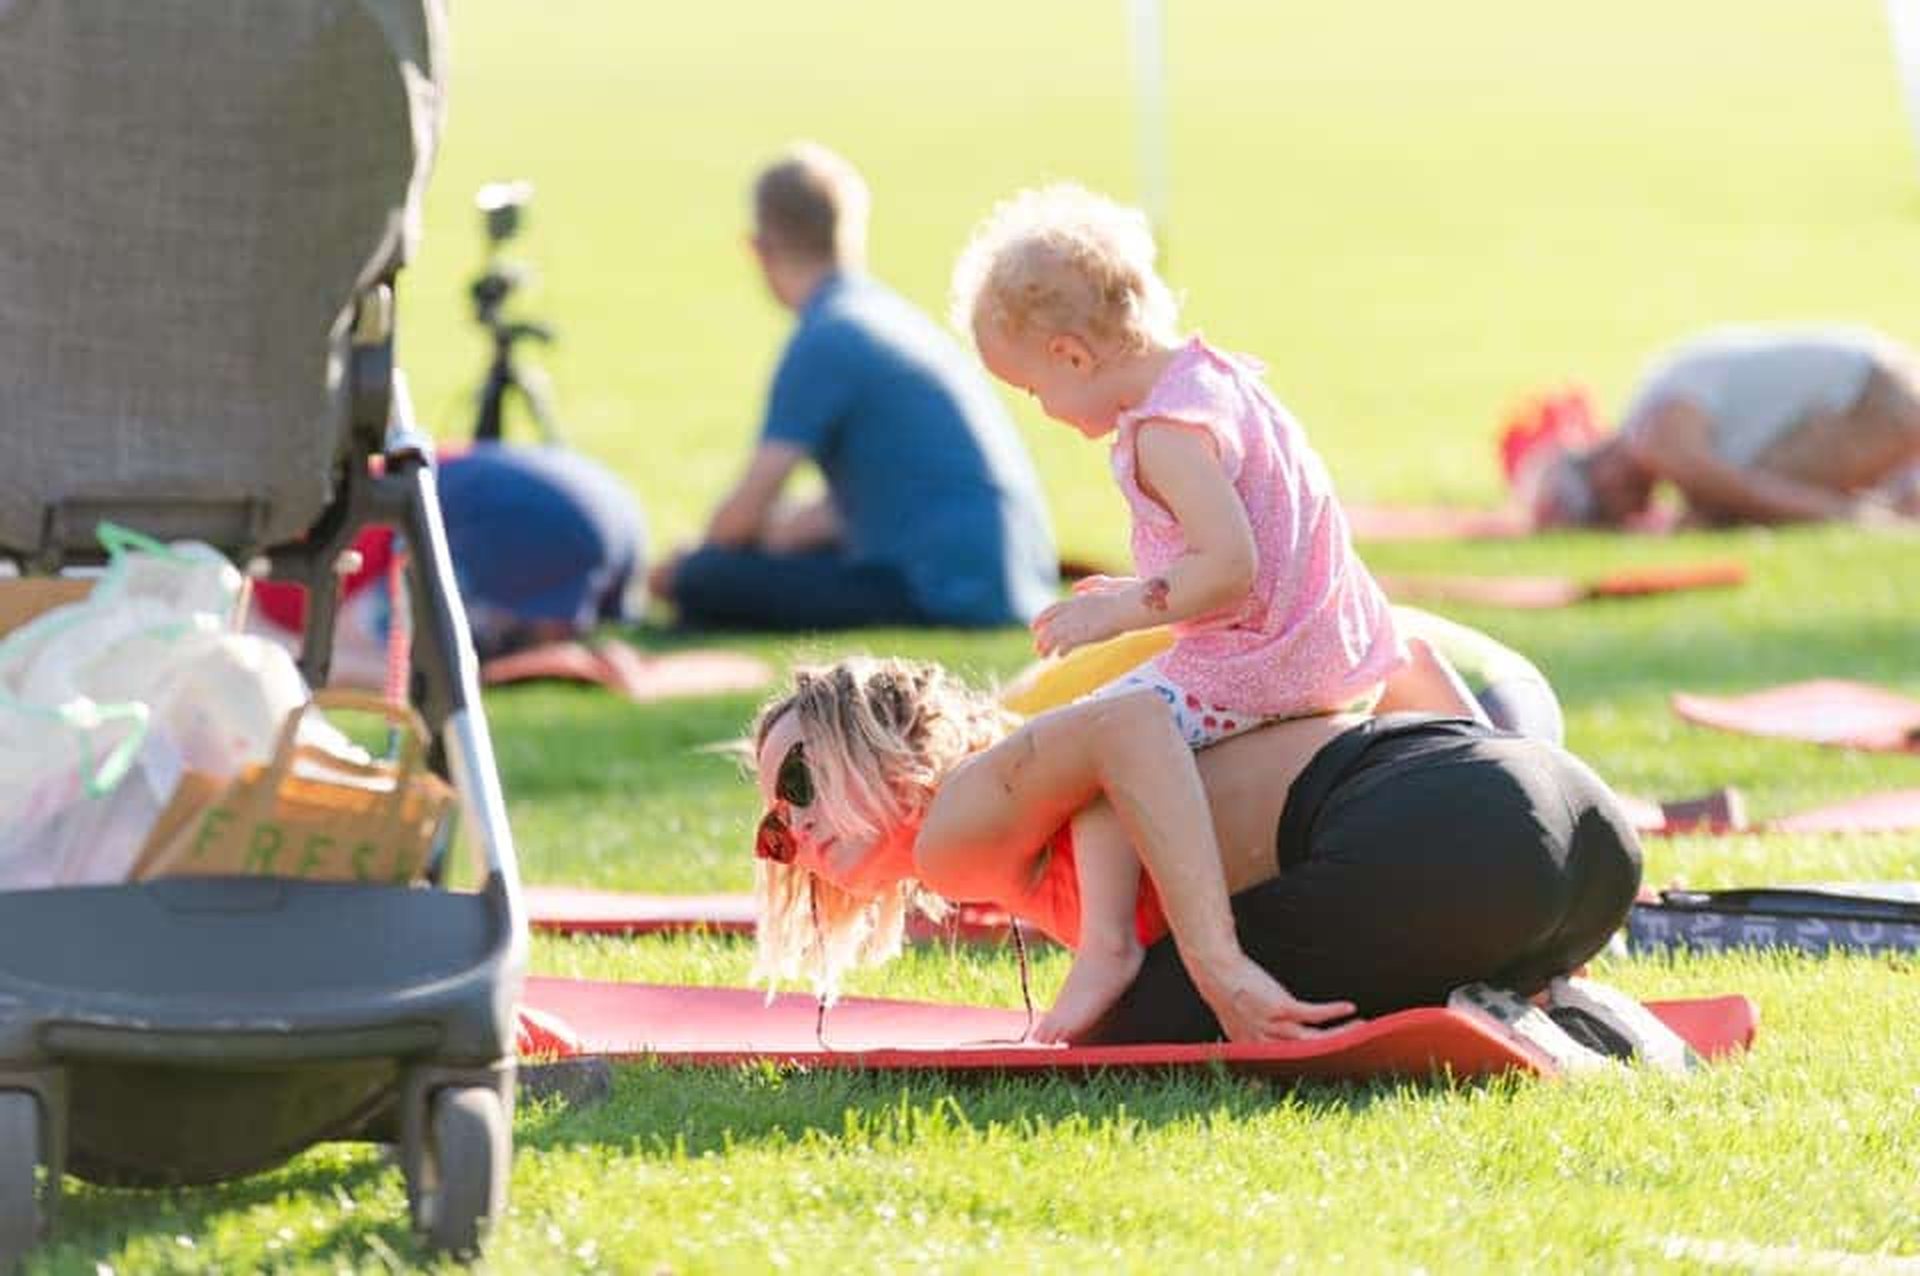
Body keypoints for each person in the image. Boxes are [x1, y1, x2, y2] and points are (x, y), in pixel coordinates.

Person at [948, 184, 1405, 1036]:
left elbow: (1229, 568)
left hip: (1263, 658)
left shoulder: (1162, 432)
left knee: (1091, 741)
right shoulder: (1217, 378)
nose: (1043, 410)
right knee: (1108, 728)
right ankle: (1113, 947)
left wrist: (1123, 609)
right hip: (1329, 638)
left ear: (1072, 355)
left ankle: (1108, 949)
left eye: (1033, 387)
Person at [747, 656, 1675, 1068]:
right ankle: (1537, 990)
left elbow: (1132, 722)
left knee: (1135, 1030)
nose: (792, 824)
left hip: (1443, 826)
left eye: (798, 777)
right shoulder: (1028, 804)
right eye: (773, 827)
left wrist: (1210, 956)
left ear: (872, 740)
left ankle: (1521, 989)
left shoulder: (957, 825)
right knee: (1149, 1007)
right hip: (1583, 843)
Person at [647, 142, 1059, 631]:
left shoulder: (828, 336)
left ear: (758, 249)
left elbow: (742, 515)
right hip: (1010, 578)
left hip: (940, 591)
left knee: (704, 579)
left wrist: (681, 567)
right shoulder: (885, 316)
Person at [1530, 325, 1920, 527]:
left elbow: (1745, 494)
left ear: (1604, 477)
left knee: (1723, 511)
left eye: (1608, 512)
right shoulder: (1655, 409)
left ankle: (1891, 512)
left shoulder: (1656, 436)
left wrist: (1845, 517)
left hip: (1879, 396)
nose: (1632, 516)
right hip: (1880, 389)